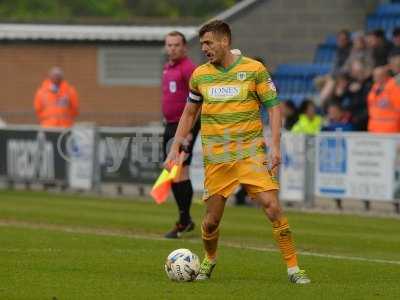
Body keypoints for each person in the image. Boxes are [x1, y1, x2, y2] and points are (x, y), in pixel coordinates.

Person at [164, 20, 310, 284]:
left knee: (272, 207)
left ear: (225, 42)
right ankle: (209, 259)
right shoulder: (200, 75)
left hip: (250, 154)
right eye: (202, 44)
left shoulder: (254, 70)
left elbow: (274, 108)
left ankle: (293, 268)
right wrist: (175, 146)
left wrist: (275, 145)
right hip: (217, 158)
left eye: (209, 43)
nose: (205, 48)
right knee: (210, 222)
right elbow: (189, 112)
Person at [162, 31, 199, 239]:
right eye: (169, 45)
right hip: (169, 127)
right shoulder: (168, 68)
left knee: (180, 172)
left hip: (182, 129)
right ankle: (185, 219)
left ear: (184, 47)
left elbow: (198, 104)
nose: (172, 48)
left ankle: (184, 220)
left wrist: (190, 132)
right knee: (172, 173)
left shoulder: (188, 69)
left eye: (176, 45)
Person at [367, 66, 397, 133]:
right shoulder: (374, 89)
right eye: (374, 76)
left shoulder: (395, 88)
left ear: (386, 76)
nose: (376, 78)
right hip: (374, 130)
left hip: (392, 131)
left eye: (379, 75)